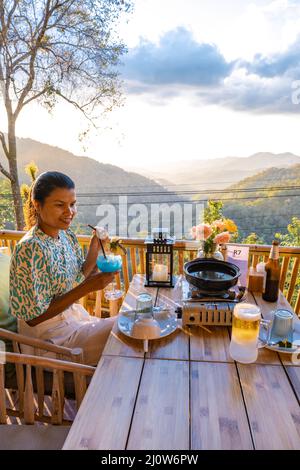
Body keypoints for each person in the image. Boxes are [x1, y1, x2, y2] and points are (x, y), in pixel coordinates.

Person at [9, 171, 116, 365]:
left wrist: (94, 247)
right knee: (125, 328)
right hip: (47, 341)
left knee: (132, 323)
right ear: (37, 204)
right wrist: (87, 288)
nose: (70, 212)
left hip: (73, 321)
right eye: (60, 205)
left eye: (72, 204)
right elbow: (33, 319)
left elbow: (81, 275)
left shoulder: (66, 237)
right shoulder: (30, 249)